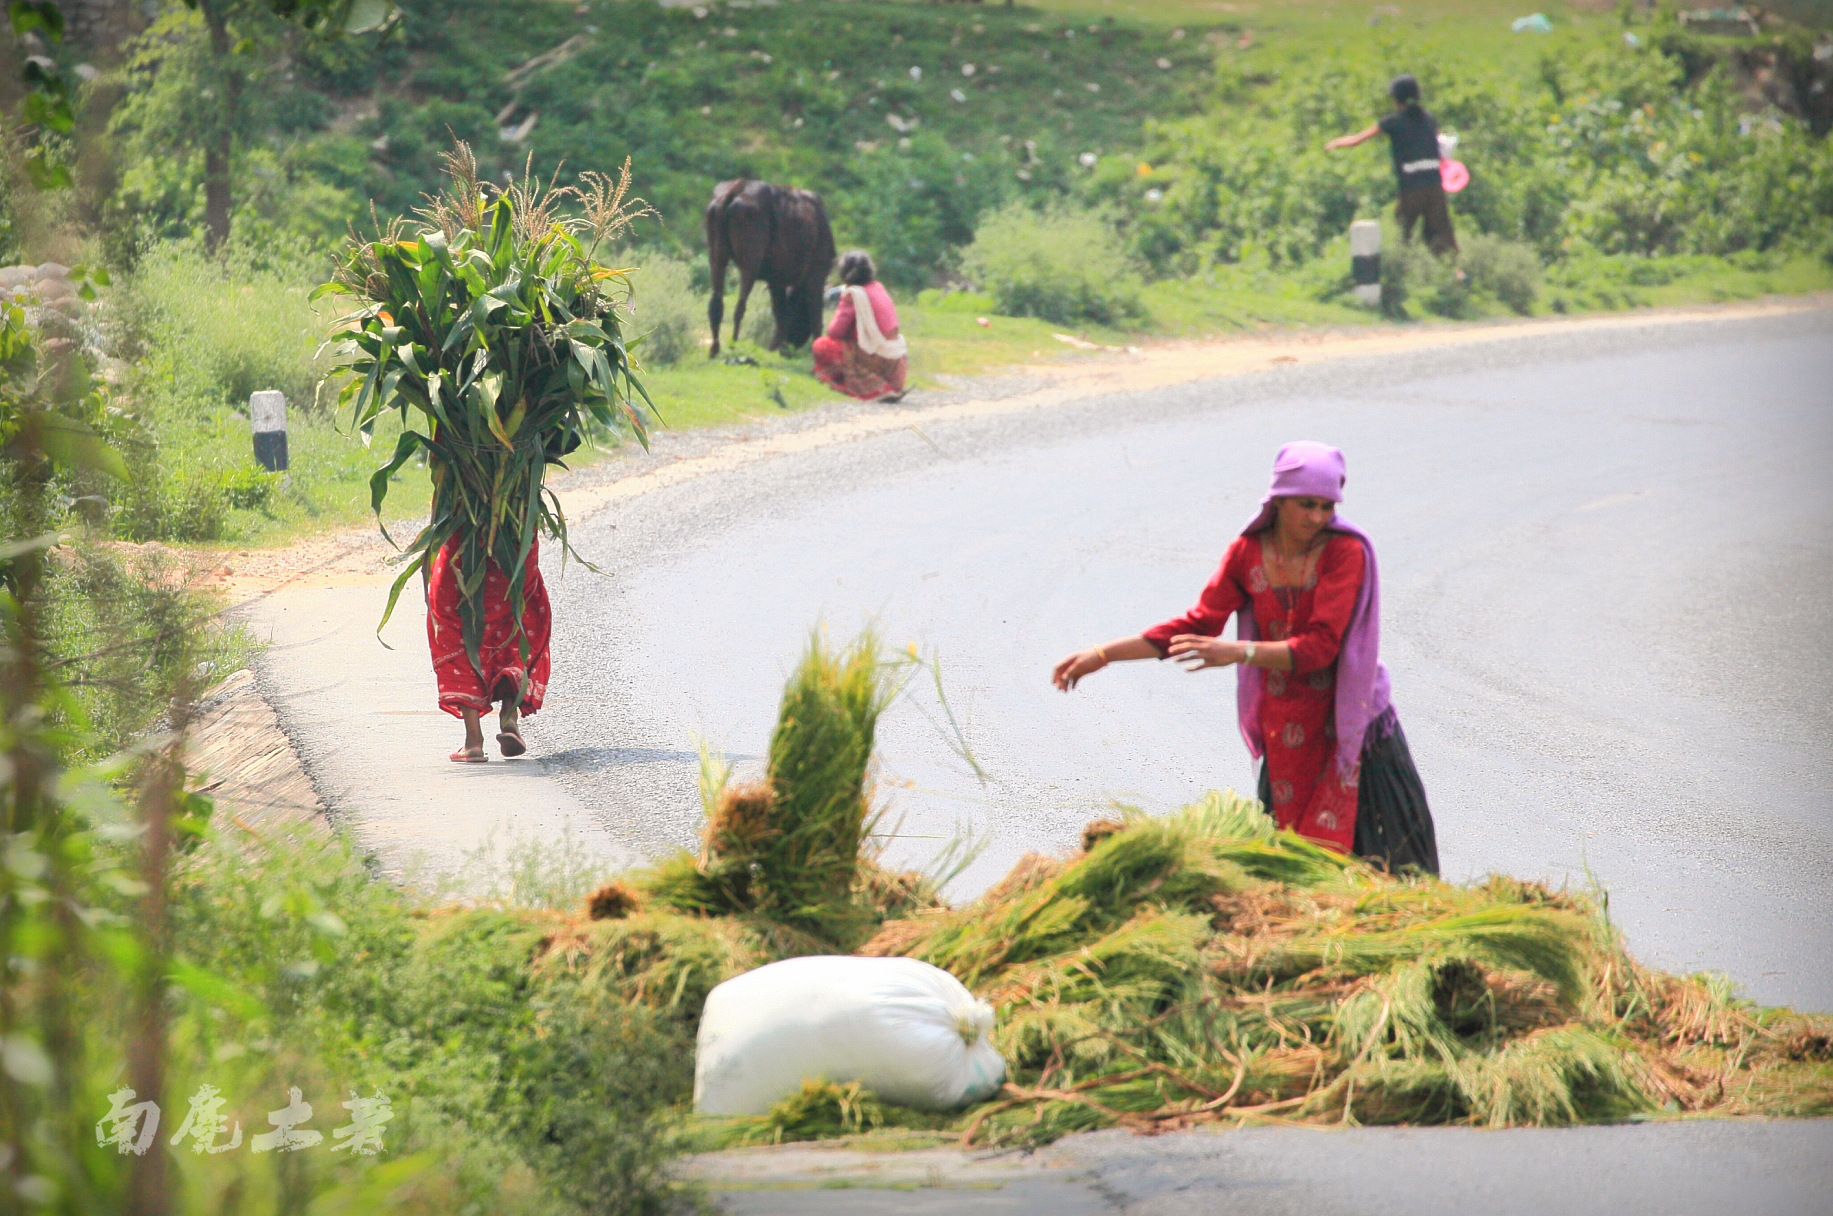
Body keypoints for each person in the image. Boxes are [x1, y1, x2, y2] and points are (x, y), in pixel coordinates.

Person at [1050, 441, 1439, 873]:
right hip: (1287, 730)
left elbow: (1320, 648)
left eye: (1327, 506)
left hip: (1351, 727)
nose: (1317, 517)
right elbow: (1198, 624)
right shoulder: (1247, 553)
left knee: (1392, 866)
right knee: (1298, 866)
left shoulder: (1344, 553)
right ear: (1278, 501)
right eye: (1305, 504)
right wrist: (1103, 655)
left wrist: (1236, 652)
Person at [427, 537, 551, 762]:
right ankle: (509, 716)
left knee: (457, 632)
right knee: (514, 621)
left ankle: (473, 741)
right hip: (514, 548)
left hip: (462, 549)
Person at [1325, 73, 1459, 260]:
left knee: (1401, 236)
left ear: (1397, 98)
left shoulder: (1393, 121)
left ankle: (1401, 275)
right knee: (1442, 240)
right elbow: (1442, 143)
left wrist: (1334, 143)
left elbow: (1357, 140)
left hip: (1411, 189)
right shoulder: (1428, 118)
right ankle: (1456, 276)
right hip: (1435, 187)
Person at [812, 250, 907, 402]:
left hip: (875, 359)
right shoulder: (878, 287)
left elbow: (834, 332)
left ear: (844, 273)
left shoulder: (853, 294)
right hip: (897, 367)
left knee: (821, 345)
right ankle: (886, 386)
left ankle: (874, 386)